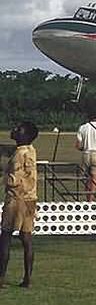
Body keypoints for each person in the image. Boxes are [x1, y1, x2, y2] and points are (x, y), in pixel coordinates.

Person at [0, 121, 39, 288]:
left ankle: (1, 278)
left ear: (25, 135)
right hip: (31, 199)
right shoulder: (31, 151)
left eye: (18, 129)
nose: (14, 130)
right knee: (27, 238)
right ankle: (27, 279)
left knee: (5, 237)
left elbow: (14, 180)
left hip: (16, 200)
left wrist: (3, 175)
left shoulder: (18, 155)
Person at [75, 111, 96, 201]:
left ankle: (87, 197)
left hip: (86, 154)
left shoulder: (82, 128)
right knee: (94, 180)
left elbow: (78, 146)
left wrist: (84, 148)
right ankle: (90, 201)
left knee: (87, 178)